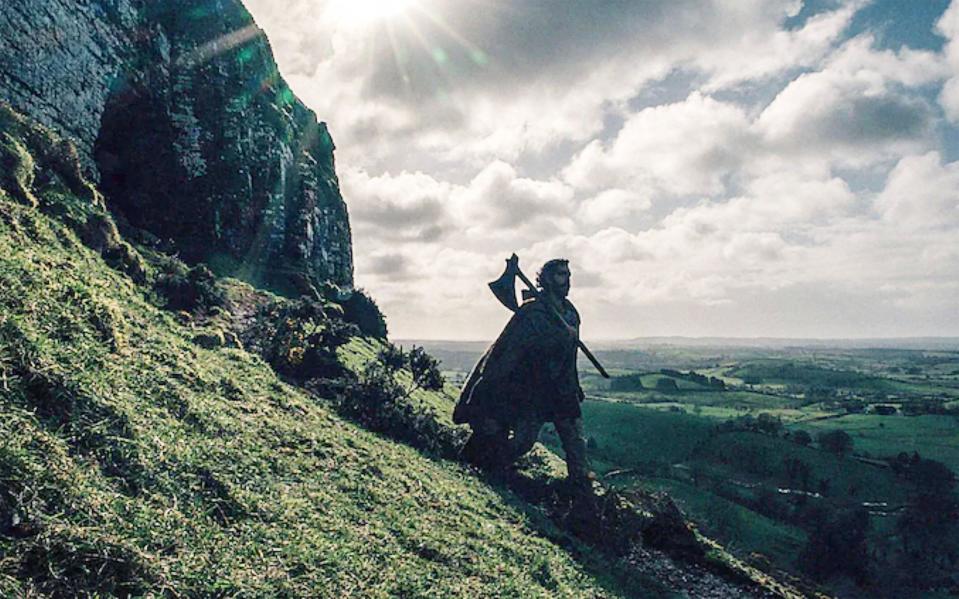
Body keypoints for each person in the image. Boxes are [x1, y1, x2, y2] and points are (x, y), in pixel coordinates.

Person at [454, 258, 593, 489]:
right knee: (523, 441)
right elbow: (511, 351)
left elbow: (570, 356)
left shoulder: (570, 314)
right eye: (560, 274)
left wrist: (575, 384)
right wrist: (489, 386)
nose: (566, 280)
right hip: (535, 389)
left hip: (562, 388)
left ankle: (581, 493)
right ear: (547, 279)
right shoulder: (533, 312)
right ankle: (490, 466)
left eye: (568, 275)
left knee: (575, 441)